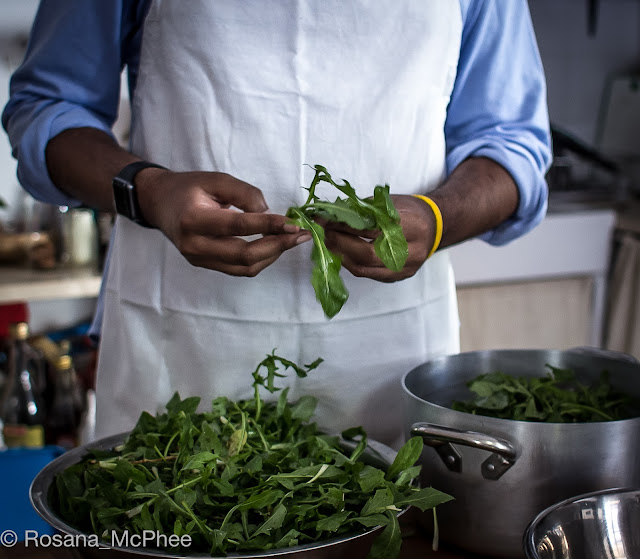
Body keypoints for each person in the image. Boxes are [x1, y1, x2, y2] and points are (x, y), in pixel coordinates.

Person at [2, 0, 551, 447]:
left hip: (388, 355)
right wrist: (151, 191)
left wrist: (437, 218)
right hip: (182, 345)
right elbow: (48, 106)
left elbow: (513, 142)